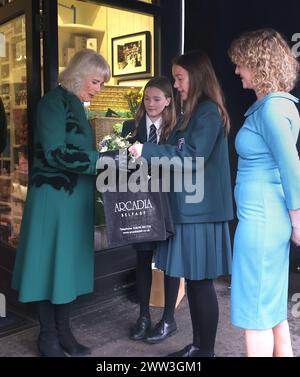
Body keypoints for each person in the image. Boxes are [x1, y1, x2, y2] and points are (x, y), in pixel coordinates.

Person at [129, 51, 233, 357]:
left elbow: (192, 158)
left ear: (197, 77)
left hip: (199, 213)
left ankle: (206, 351)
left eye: (179, 78)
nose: (176, 85)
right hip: (189, 211)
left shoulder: (208, 112)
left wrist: (145, 151)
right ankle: (199, 346)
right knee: (196, 283)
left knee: (200, 285)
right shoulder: (194, 112)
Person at [12, 49, 111, 357]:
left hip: (72, 200)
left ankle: (64, 333)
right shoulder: (53, 102)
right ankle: (48, 337)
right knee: (48, 265)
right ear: (79, 76)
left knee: (64, 266)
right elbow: (55, 153)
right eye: (95, 82)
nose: (98, 89)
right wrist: (102, 160)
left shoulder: (75, 104)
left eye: (101, 84)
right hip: (52, 200)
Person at [228, 28, 300, 357]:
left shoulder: (272, 108)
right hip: (267, 220)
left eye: (241, 64)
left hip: (261, 223)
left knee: (256, 315)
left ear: (258, 64)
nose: (237, 70)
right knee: (271, 312)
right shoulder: (275, 106)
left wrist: (298, 220)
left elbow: (291, 166)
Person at [122, 76, 181, 343]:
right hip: (140, 202)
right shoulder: (129, 126)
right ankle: (143, 316)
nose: (151, 104)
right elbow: (119, 165)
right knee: (143, 258)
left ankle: (168, 318)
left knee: (170, 262)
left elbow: (182, 163)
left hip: (169, 202)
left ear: (169, 101)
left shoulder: (178, 130)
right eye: (147, 98)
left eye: (157, 99)